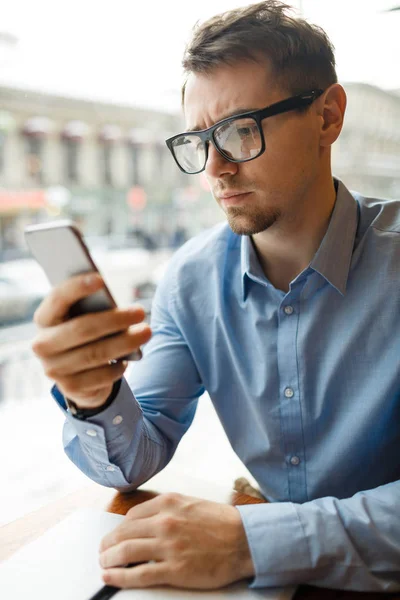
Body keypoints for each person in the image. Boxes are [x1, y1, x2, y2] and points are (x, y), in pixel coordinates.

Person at [32, 0, 400, 593]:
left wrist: (254, 541)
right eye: (199, 140)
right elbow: (136, 458)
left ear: (328, 116)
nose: (215, 169)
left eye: (238, 130)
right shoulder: (192, 278)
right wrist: (93, 397)